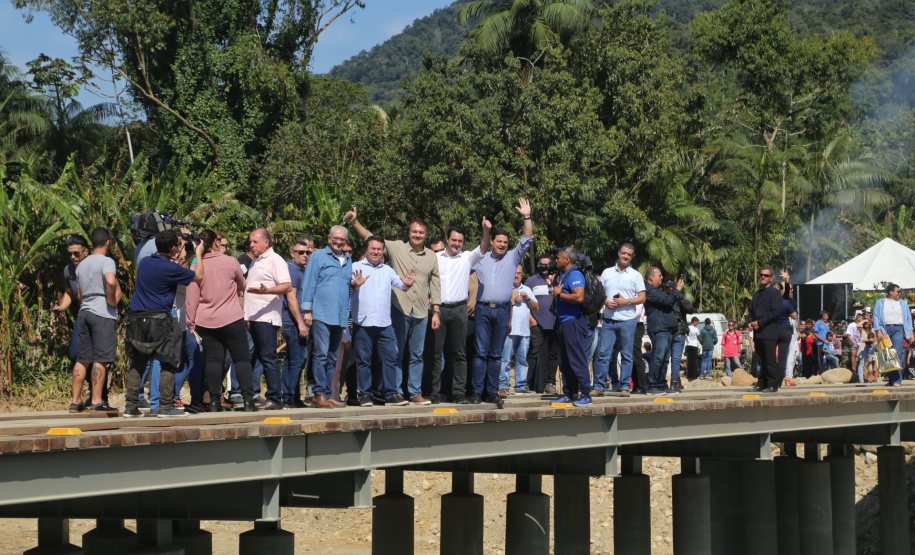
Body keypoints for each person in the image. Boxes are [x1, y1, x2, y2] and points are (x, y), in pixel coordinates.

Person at [346, 207, 442, 405]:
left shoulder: (431, 256)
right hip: (399, 310)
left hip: (421, 312)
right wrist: (355, 223)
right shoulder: (395, 248)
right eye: (414, 231)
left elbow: (435, 283)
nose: (417, 235)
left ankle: (414, 393)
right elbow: (372, 239)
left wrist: (436, 311)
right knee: (394, 354)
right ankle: (395, 392)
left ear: (425, 235)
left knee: (417, 355)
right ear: (409, 233)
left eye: (421, 232)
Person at [123, 230, 204, 418]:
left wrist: (185, 255)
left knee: (138, 363)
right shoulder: (170, 268)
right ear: (174, 248)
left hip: (137, 318)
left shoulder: (145, 263)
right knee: (168, 361)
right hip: (159, 319)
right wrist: (197, 254)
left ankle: (130, 407)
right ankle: (166, 406)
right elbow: (198, 276)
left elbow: (172, 268)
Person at [469, 198, 534, 407]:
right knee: (480, 352)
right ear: (493, 242)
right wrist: (485, 233)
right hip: (482, 310)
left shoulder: (513, 258)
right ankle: (477, 391)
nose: (503, 245)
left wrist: (527, 216)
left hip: (504, 310)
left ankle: (492, 391)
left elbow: (527, 238)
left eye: (505, 242)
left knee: (496, 354)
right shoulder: (479, 258)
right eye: (499, 241)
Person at [186, 230, 258, 412]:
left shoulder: (195, 268)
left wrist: (190, 322)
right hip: (232, 318)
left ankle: (215, 401)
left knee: (212, 361)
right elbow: (243, 284)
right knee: (242, 358)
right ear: (216, 243)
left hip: (206, 321)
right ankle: (249, 400)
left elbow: (192, 298)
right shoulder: (231, 262)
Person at [426, 221, 491, 403]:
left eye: (460, 241)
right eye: (453, 240)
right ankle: (434, 392)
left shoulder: (467, 258)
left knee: (459, 354)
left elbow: (484, 247)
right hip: (438, 310)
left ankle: (459, 393)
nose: (456, 244)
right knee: (436, 354)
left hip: (460, 310)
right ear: (447, 239)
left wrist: (486, 231)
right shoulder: (435, 257)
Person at [350, 235, 416, 406]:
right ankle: (364, 394)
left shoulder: (387, 270)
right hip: (362, 322)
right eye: (373, 249)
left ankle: (391, 394)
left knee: (390, 358)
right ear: (367, 250)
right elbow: (350, 286)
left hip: (384, 324)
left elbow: (401, 285)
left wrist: (408, 283)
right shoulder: (355, 267)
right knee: (364, 360)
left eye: (379, 249)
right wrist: (355, 285)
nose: (376, 252)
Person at [300, 225, 353, 408]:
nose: (339, 242)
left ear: (346, 241)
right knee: (320, 355)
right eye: (335, 238)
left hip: (339, 316)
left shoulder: (347, 260)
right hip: (322, 313)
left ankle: (328, 394)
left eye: (342, 239)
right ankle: (318, 393)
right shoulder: (318, 256)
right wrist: (307, 310)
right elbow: (309, 282)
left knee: (333, 357)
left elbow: (344, 287)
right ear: (329, 239)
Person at [74, 227, 122, 413]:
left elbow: (79, 294)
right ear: (108, 243)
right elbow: (110, 281)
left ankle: (76, 401)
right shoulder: (107, 261)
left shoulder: (82, 265)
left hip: (84, 311)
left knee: (83, 358)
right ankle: (96, 401)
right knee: (100, 358)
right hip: (102, 312)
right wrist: (111, 300)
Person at [243, 229, 292, 410]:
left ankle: (274, 398)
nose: (252, 245)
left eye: (255, 242)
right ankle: (264, 394)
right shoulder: (256, 260)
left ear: (267, 243)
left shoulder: (275, 260)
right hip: (254, 317)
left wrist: (267, 291)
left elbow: (287, 285)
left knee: (268, 357)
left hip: (266, 318)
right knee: (259, 358)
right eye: (250, 242)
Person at [593, 243, 645, 397]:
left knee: (627, 355)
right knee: (603, 354)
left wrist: (626, 301)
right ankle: (599, 386)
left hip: (628, 320)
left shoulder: (636, 275)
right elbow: (599, 294)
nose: (626, 256)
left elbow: (642, 297)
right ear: (618, 253)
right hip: (608, 320)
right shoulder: (607, 272)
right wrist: (605, 302)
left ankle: (624, 387)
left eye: (629, 254)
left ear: (632, 257)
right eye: (623, 253)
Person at [52, 235, 93, 412]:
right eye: (70, 254)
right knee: (76, 355)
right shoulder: (68, 269)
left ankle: (97, 397)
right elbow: (69, 291)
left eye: (76, 253)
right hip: (82, 314)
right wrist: (62, 306)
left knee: (98, 357)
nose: (73, 257)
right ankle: (80, 399)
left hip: (99, 314)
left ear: (86, 251)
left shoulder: (95, 265)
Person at [552, 248, 593, 405]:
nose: (556, 260)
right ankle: (570, 393)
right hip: (563, 322)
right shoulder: (564, 275)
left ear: (567, 260)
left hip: (573, 322)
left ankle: (586, 394)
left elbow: (579, 296)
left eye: (558, 258)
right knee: (564, 360)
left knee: (576, 359)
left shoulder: (575, 274)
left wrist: (559, 295)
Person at [643, 268, 683, 396]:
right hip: (659, 329)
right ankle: (653, 385)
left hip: (666, 329)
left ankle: (661, 384)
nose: (661, 278)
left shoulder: (657, 291)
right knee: (658, 358)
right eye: (659, 276)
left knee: (665, 359)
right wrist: (677, 290)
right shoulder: (649, 290)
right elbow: (667, 301)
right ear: (651, 278)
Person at [500, 266, 538, 397]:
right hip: (509, 330)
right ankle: (503, 386)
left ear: (522, 275)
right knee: (505, 359)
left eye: (519, 273)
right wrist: (512, 298)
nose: (516, 276)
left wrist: (527, 298)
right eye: (514, 273)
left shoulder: (527, 289)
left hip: (524, 331)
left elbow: (536, 307)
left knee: (522, 360)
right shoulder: (504, 287)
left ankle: (521, 386)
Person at [281, 240, 311, 408]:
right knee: (297, 360)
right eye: (301, 252)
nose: (305, 255)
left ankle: (291, 397)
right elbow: (290, 297)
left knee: (292, 360)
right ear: (292, 253)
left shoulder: (299, 270)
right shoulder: (292, 270)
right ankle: (291, 398)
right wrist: (300, 322)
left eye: (307, 252)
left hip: (294, 322)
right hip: (293, 322)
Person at [526, 255, 560, 394]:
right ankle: (527, 383)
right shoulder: (531, 281)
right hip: (537, 323)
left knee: (554, 354)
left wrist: (553, 282)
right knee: (533, 353)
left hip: (555, 323)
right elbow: (524, 301)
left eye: (548, 264)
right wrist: (531, 318)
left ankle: (549, 383)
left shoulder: (558, 280)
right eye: (542, 264)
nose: (545, 267)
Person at [748, 267, 783, 393]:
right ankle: (761, 383)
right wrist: (750, 322)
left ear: (771, 278)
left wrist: (760, 322)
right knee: (761, 359)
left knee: (770, 360)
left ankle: (773, 384)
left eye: (766, 275)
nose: (763, 277)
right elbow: (752, 311)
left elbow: (776, 312)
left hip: (769, 331)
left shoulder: (774, 293)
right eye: (761, 275)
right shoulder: (756, 294)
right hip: (758, 332)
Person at [873, 283, 913, 387]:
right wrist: (878, 330)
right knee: (887, 354)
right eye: (898, 291)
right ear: (891, 292)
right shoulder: (880, 302)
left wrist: (910, 334)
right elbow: (876, 317)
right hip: (885, 328)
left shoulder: (903, 303)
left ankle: (896, 380)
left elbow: (908, 319)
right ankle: (891, 379)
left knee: (897, 354)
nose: (899, 293)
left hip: (898, 329)